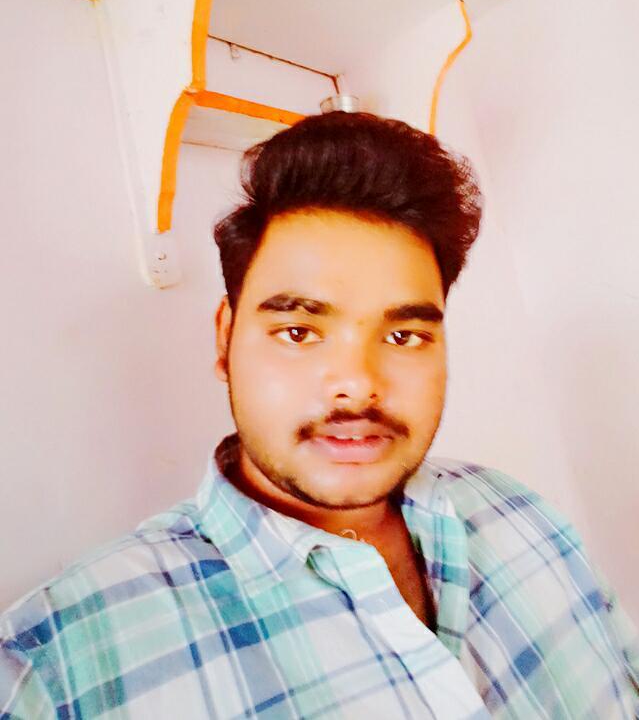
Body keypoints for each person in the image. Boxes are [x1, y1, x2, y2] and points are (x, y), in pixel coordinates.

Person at [1, 112, 637, 719]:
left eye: (404, 336)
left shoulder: (523, 517)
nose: (357, 386)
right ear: (225, 339)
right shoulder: (55, 668)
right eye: (299, 332)